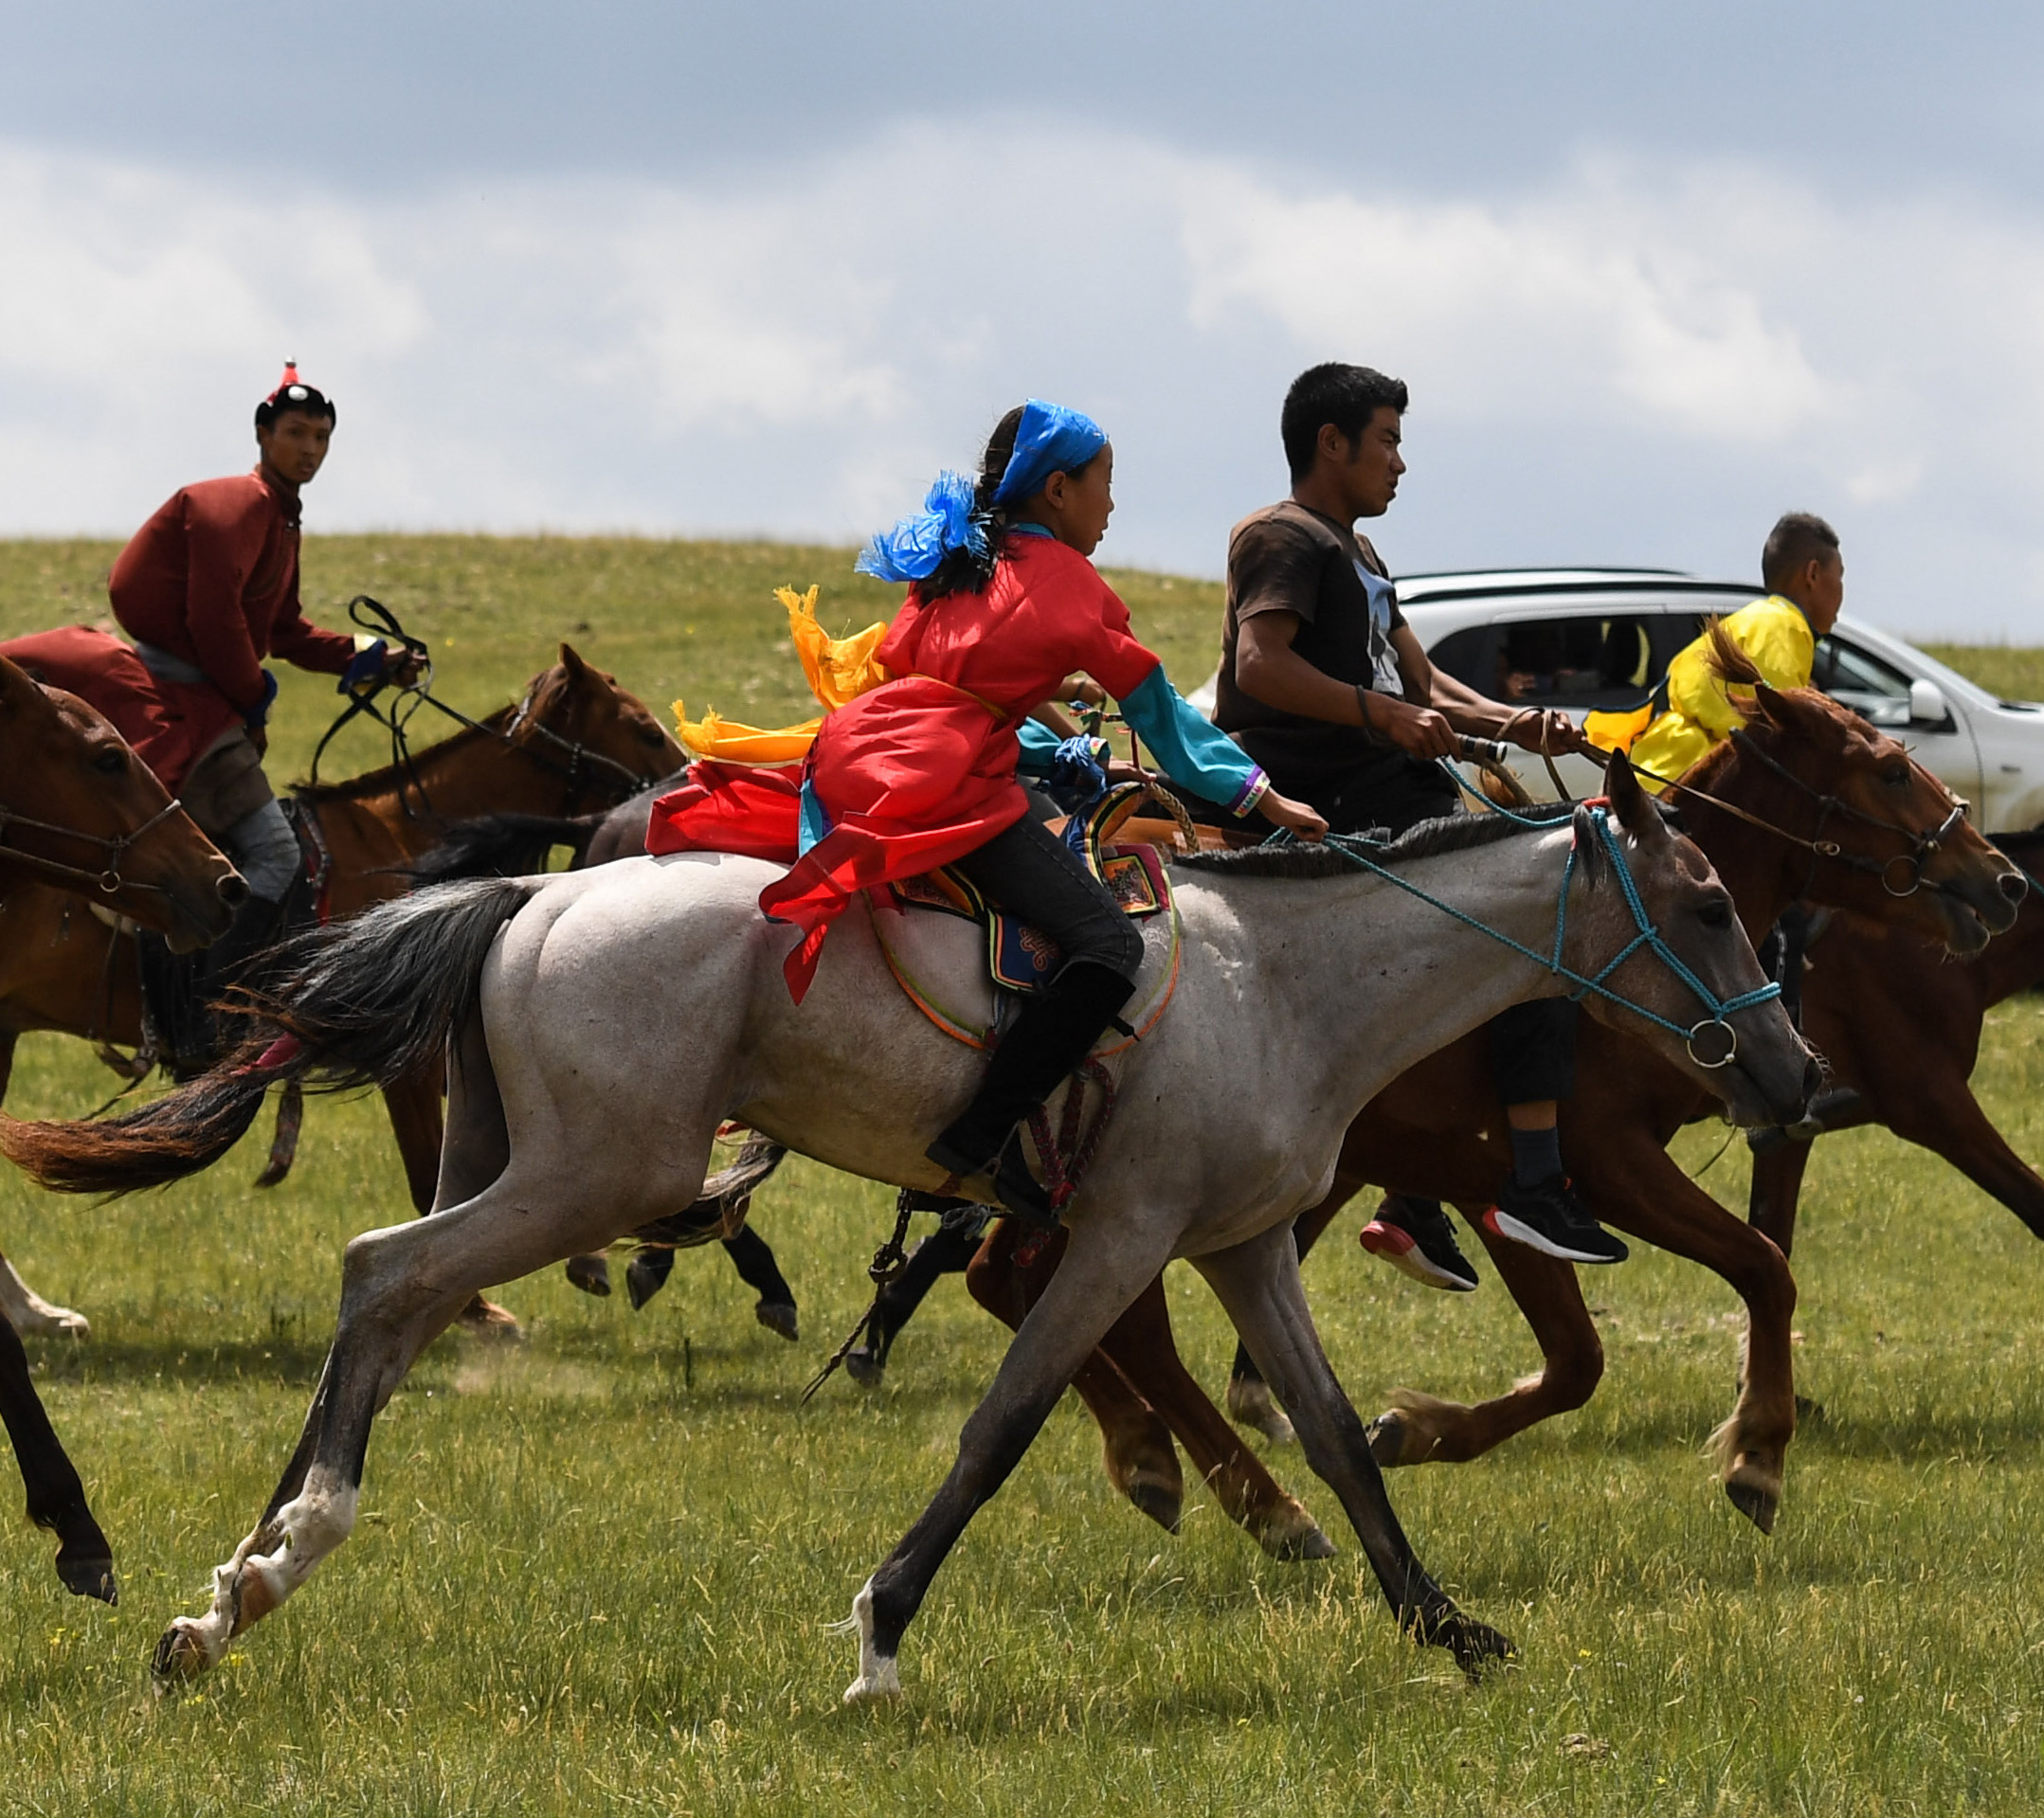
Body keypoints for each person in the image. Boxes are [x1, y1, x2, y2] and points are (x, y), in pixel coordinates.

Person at [655, 401, 1330, 1219]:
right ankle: (982, 1140)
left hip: (866, 746)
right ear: (1056, 489)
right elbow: (1162, 713)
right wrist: (1260, 795)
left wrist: (1062, 756)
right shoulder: (1070, 583)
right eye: (1104, 485)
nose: (1112, 506)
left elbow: (960, 699)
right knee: (1110, 942)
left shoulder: (963, 559)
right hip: (938, 774)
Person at [1212, 361, 1627, 1280]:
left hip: (1393, 790)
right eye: (1388, 440)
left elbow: (1421, 681)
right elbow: (1258, 666)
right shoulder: (1281, 537)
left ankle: (1414, 1190)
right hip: (1332, 803)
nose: (1400, 462)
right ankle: (1528, 1179)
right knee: (1540, 909)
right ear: (1332, 443)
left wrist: (1513, 723)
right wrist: (1382, 717)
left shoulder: (1360, 555)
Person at [105, 366, 426, 1048]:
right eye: (295, 433)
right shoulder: (244, 508)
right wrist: (253, 702)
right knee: (277, 856)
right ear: (261, 433)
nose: (309, 448)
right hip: (185, 695)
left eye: (321, 436)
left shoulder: (280, 520)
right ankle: (205, 1022)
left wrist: (378, 657)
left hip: (208, 693)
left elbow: (285, 631)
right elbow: (214, 618)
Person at [1626, 512, 1845, 788]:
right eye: (1840, 576)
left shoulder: (1753, 620)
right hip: (1686, 792)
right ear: (1812, 574)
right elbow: (1785, 740)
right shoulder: (1783, 625)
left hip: (1658, 774)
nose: (1841, 590)